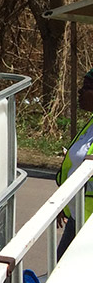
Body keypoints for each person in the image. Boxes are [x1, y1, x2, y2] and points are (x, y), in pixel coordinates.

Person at [55, 68, 93, 259]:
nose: (80, 91)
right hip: (77, 216)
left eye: (87, 87)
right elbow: (75, 165)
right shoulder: (91, 124)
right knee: (60, 262)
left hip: (89, 224)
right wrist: (63, 201)